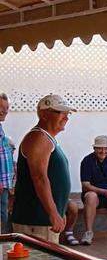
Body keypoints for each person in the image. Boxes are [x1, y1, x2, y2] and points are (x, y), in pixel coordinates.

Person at [10, 94, 75, 243]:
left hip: (43, 221)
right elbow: (39, 177)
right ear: (43, 114)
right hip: (36, 221)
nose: (66, 117)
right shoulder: (39, 138)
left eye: (67, 113)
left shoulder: (47, 138)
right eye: (60, 112)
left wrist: (59, 211)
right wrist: (53, 213)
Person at [0, 93, 15, 232]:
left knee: (3, 215)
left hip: (4, 184)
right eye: (1, 107)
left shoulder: (1, 129)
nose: (5, 111)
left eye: (7, 107)